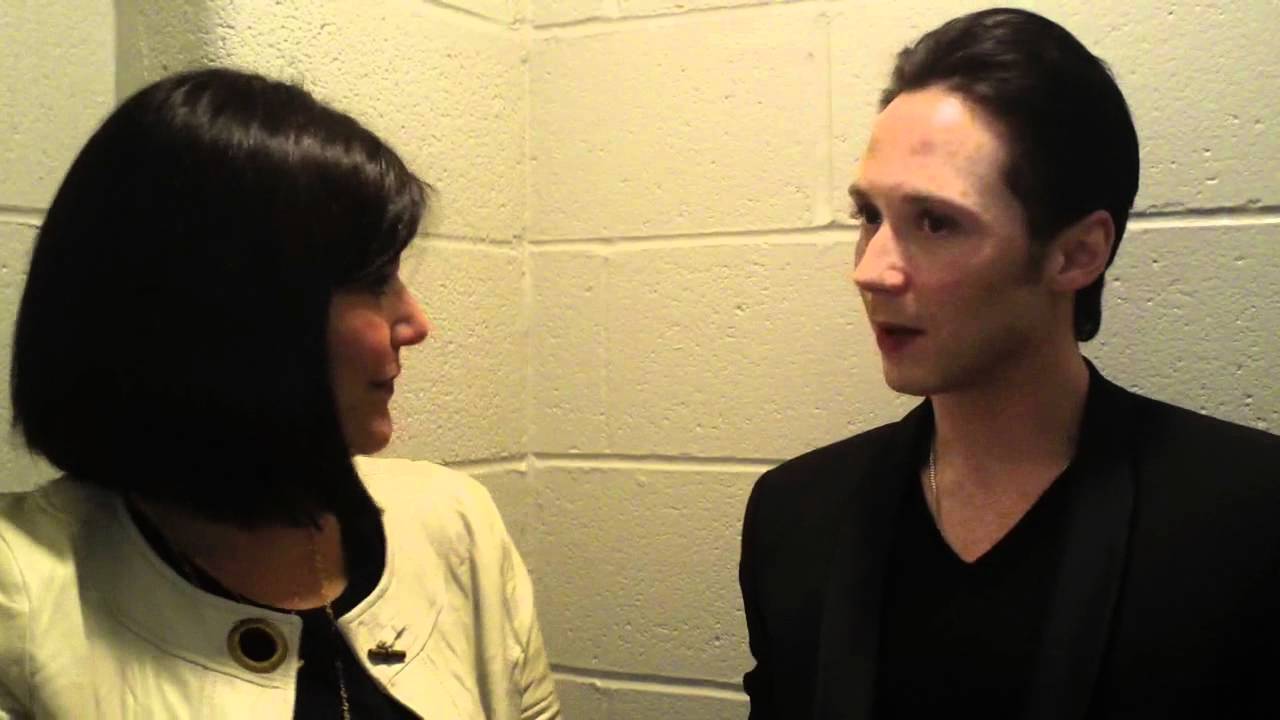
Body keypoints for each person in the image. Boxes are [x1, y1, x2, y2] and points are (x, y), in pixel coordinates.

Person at [738, 8, 1280, 719]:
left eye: (935, 222)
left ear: (1077, 254)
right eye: (869, 216)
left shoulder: (1247, 519)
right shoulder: (797, 517)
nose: (871, 271)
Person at [0, 68, 560, 719]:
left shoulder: (456, 522)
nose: (417, 323)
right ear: (233, 311)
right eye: (377, 281)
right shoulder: (20, 591)